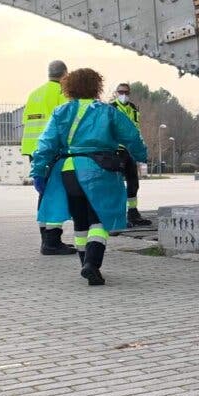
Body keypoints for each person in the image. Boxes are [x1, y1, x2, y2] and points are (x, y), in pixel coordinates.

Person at [31, 68, 147, 286]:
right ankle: (92, 264)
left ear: (69, 87)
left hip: (68, 170)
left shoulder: (61, 112)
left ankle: (85, 263)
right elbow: (132, 136)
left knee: (80, 221)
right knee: (99, 220)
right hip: (99, 170)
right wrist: (141, 156)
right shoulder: (108, 112)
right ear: (97, 86)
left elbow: (45, 145)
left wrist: (38, 172)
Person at [22, 60, 75, 255]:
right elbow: (66, 124)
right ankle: (52, 241)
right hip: (53, 151)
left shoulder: (34, 94)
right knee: (55, 195)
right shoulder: (62, 94)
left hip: (33, 151)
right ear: (65, 75)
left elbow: (27, 123)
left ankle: (46, 239)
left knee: (43, 194)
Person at [112, 82, 150, 227]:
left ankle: (133, 213)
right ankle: (117, 215)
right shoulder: (111, 108)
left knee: (133, 182)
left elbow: (136, 130)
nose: (124, 95)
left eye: (126, 92)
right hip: (116, 150)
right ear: (116, 92)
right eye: (121, 92)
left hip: (130, 150)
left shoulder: (134, 109)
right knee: (117, 183)